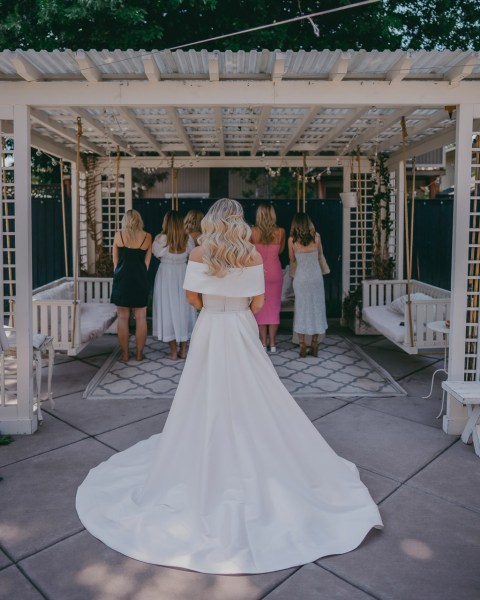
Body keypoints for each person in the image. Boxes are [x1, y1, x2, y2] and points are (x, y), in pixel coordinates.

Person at [76, 198, 382, 575]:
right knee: (253, 390)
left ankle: (212, 437)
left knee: (203, 390)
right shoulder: (252, 256)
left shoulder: (200, 253)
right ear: (238, 221)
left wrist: (214, 307)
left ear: (211, 222)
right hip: (239, 326)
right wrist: (234, 311)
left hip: (209, 326)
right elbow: (258, 303)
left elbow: (192, 298)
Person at [152, 210, 196, 360]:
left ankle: (173, 352)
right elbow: (192, 254)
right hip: (183, 273)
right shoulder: (188, 239)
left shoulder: (160, 239)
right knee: (183, 309)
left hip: (166, 275)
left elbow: (157, 254)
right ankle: (183, 350)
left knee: (167, 309)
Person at [110, 209, 152, 362]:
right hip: (140, 279)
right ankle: (139, 354)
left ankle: (125, 355)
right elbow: (147, 264)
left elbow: (115, 262)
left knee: (122, 318)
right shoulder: (147, 237)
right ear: (139, 220)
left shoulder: (118, 235)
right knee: (141, 318)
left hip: (122, 279)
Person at [288, 212, 328, 358]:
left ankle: (302, 343)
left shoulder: (292, 240)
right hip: (315, 278)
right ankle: (315, 342)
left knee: (301, 308)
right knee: (317, 308)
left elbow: (292, 259)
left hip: (301, 278)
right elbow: (319, 255)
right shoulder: (316, 237)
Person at [251, 203, 285, 352]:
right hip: (275, 272)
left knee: (260, 306)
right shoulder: (280, 232)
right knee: (274, 307)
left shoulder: (252, 232)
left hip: (258, 273)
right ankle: (273, 343)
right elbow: (280, 251)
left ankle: (262, 342)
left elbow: (250, 253)